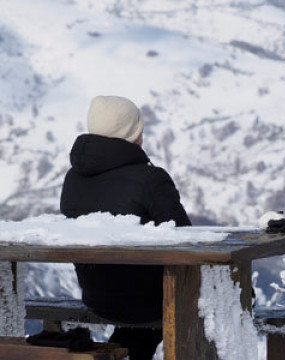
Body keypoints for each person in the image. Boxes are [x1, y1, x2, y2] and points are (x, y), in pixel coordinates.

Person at [60, 95, 191, 360]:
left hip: (97, 296)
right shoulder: (150, 179)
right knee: (231, 293)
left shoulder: (73, 178)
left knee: (136, 329)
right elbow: (185, 239)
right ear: (132, 133)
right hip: (148, 301)